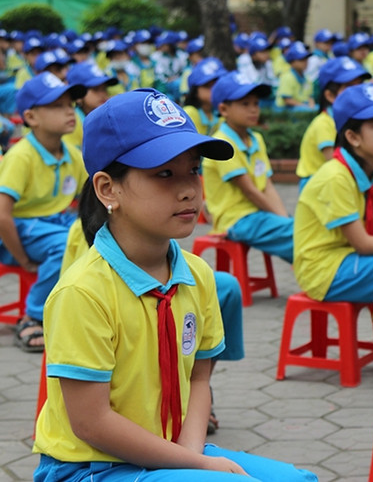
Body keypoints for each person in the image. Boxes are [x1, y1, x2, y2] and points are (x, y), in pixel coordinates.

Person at [33, 88, 315, 481]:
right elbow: (91, 423)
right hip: (93, 467)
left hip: (172, 449)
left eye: (194, 170)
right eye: (164, 174)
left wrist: (190, 454)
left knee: (298, 479)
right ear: (108, 189)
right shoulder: (82, 292)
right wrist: (198, 466)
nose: (189, 190)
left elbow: (199, 377)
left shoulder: (197, 275)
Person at [293, 83, 373, 302]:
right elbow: (363, 244)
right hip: (324, 271)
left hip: (354, 258)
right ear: (353, 137)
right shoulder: (336, 177)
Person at [0, 73, 87, 353]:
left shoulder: (72, 154)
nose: (69, 111)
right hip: (18, 230)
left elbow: (91, 197)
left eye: (70, 104)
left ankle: (82, 307)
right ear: (31, 117)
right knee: (65, 244)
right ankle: (33, 315)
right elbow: (2, 215)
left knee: (98, 236)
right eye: (57, 106)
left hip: (55, 224)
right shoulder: (21, 156)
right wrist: (23, 259)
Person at [203, 71, 294, 263]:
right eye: (245, 104)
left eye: (256, 103)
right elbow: (250, 191)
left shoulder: (256, 139)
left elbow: (267, 185)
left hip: (258, 214)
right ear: (224, 109)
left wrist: (284, 219)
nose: (253, 110)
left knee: (299, 229)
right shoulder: (222, 142)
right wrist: (284, 222)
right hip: (235, 219)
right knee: (300, 234)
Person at [296, 56, 370, 189]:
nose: (357, 93)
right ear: (330, 95)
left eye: (359, 86)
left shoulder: (354, 121)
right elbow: (335, 162)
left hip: (341, 180)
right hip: (318, 184)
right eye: (349, 88)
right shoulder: (324, 123)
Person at [64, 61, 119, 149]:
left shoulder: (108, 114)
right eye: (95, 89)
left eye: (104, 89)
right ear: (78, 96)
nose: (103, 94)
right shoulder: (72, 119)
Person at [183, 57, 228, 136]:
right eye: (207, 86)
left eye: (217, 85)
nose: (214, 90)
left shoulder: (220, 112)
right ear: (195, 91)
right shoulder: (189, 113)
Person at [274, 41, 316, 112]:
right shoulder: (287, 77)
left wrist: (312, 107)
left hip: (301, 110)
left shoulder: (307, 78)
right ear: (292, 62)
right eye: (301, 59)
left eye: (306, 59)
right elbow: (287, 100)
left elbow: (310, 97)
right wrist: (305, 107)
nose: (305, 62)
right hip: (286, 112)